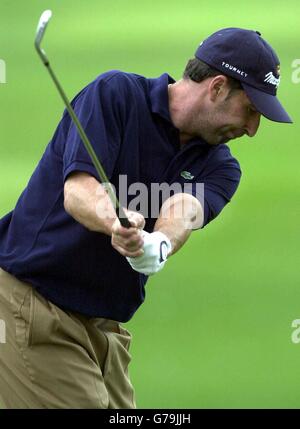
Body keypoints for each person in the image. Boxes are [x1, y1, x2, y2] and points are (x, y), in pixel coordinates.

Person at [0, 27, 292, 409]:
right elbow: (79, 192)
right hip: (31, 305)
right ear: (217, 88)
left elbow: (186, 209)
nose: (252, 130)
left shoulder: (222, 166)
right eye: (251, 110)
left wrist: (159, 243)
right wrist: (115, 224)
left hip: (105, 330)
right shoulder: (115, 96)